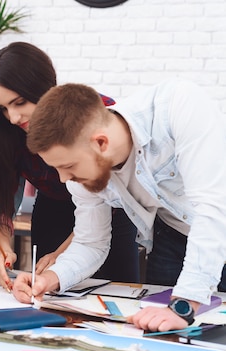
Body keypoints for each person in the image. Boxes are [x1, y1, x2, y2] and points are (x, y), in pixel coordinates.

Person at [12, 79, 226, 332]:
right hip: (173, 234)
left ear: (101, 143)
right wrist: (51, 279)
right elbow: (90, 243)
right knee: (160, 333)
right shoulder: (81, 170)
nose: (63, 179)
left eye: (68, 166)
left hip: (214, 222)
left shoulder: (179, 106)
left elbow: (211, 210)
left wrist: (186, 304)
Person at [0, 42, 139, 285]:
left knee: (119, 291)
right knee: (49, 289)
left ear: (43, 87)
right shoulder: (5, 132)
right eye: (3, 108)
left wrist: (62, 256)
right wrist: (3, 250)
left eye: (20, 103)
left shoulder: (95, 114)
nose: (13, 117)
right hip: (52, 209)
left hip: (112, 211)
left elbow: (95, 230)